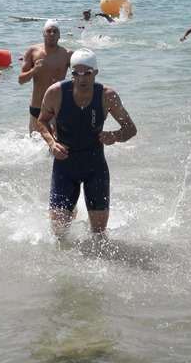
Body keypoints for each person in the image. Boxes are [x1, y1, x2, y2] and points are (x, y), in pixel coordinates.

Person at [36, 48, 137, 238]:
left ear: (96, 72)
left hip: (95, 167)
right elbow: (41, 121)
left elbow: (130, 129)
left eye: (87, 73)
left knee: (99, 235)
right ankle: (71, 211)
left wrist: (114, 136)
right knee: (59, 234)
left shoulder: (107, 96)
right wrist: (52, 143)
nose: (81, 78)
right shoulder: (56, 93)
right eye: (76, 73)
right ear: (71, 72)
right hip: (65, 166)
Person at [19, 19, 72, 133]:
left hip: (57, 109)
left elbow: (80, 77)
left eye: (55, 31)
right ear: (43, 34)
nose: (52, 34)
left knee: (58, 142)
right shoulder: (32, 52)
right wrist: (34, 70)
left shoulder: (67, 54)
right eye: (48, 31)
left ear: (59, 35)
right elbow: (21, 80)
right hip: (37, 108)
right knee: (34, 143)